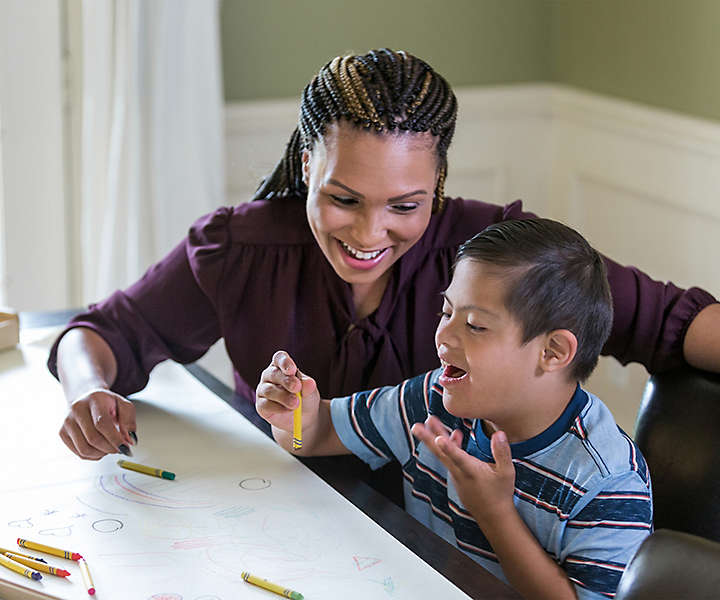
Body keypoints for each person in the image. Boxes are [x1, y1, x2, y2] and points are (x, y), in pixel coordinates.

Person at [48, 48, 719, 463]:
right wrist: (91, 391)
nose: (370, 234)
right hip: (277, 520)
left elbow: (671, 320)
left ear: (439, 184)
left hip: (455, 546)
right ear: (307, 165)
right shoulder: (240, 248)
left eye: (405, 205)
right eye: (344, 198)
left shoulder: (508, 255)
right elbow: (103, 333)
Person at [256, 218, 653, 600]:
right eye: (447, 312)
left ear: (552, 352)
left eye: (475, 325)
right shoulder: (433, 400)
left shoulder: (608, 481)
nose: (444, 335)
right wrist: (295, 415)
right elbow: (318, 434)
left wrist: (494, 512)